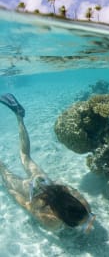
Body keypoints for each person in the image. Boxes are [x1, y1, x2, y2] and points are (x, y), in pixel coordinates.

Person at [0, 93, 95, 234]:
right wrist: (11, 190)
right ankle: (18, 117)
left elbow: (71, 189)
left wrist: (89, 218)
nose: (89, 224)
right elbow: (26, 204)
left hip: (45, 183)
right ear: (63, 219)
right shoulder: (51, 222)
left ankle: (19, 117)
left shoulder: (85, 207)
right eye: (87, 221)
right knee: (3, 171)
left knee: (25, 155)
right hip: (32, 192)